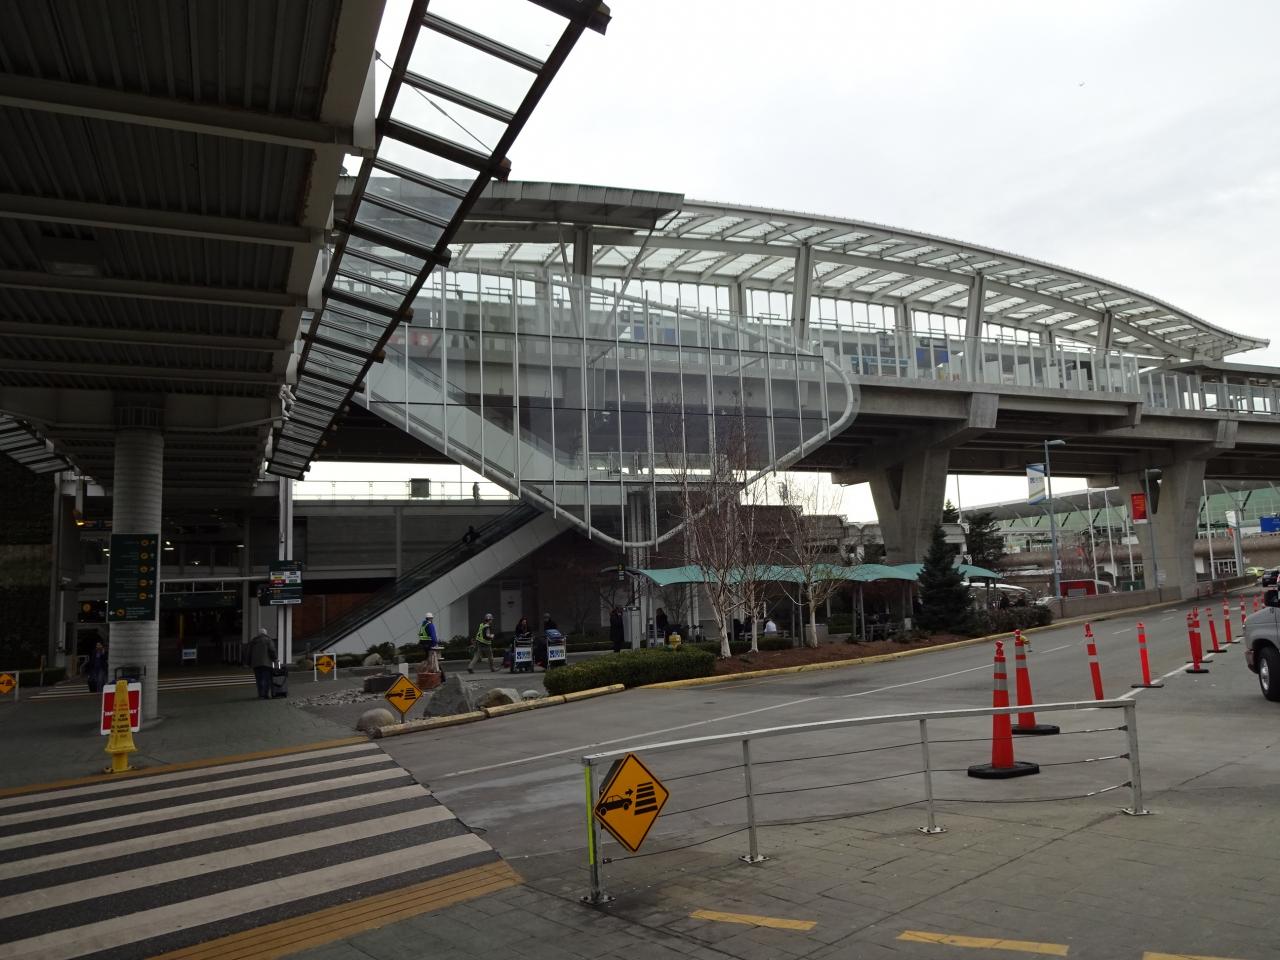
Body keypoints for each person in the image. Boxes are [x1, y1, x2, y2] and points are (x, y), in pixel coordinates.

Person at [248, 627, 276, 700]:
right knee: (266, 679)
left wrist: (248, 662)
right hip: (266, 664)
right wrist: (274, 659)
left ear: (259, 634)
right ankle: (265, 695)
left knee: (259, 679)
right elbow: (272, 650)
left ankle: (260, 695)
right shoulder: (268, 640)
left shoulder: (253, 641)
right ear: (265, 633)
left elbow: (249, 653)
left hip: (256, 664)